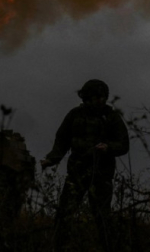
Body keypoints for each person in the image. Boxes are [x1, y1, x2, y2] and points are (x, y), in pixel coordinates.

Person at [41, 79, 129, 252]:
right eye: (96, 97)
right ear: (87, 98)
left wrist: (108, 147)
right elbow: (62, 141)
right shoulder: (75, 115)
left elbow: (124, 144)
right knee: (64, 213)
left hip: (102, 174)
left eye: (102, 97)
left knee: (102, 216)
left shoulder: (111, 117)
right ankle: (58, 246)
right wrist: (51, 159)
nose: (100, 100)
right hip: (77, 172)